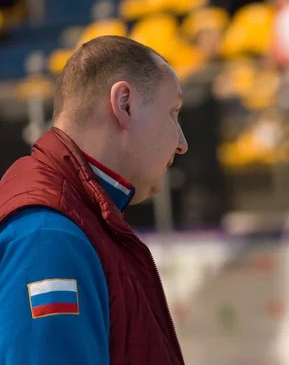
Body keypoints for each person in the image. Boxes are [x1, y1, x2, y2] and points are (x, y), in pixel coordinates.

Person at [0, 36, 188, 364]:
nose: (182, 142)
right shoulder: (48, 235)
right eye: (172, 112)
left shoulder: (73, 217)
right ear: (124, 103)